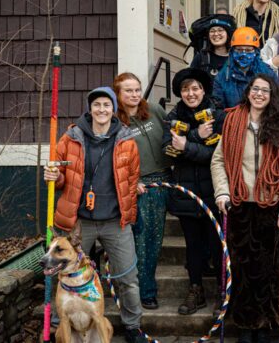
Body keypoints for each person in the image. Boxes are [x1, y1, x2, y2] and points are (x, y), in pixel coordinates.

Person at [43, 87, 147, 343]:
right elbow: (59, 175)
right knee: (64, 271)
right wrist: (54, 177)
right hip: (79, 222)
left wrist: (131, 205)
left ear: (114, 109)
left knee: (127, 277)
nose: (102, 109)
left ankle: (132, 326)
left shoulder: (126, 139)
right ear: (90, 108)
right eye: (97, 105)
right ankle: (60, 326)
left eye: (106, 105)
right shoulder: (71, 137)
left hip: (115, 220)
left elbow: (132, 177)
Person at [211, 74, 279, 343]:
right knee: (241, 269)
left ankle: (267, 327)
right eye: (255, 89)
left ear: (272, 96)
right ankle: (246, 327)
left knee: (269, 270)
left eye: (265, 91)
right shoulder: (233, 122)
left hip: (270, 207)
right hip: (239, 205)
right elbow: (218, 161)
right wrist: (222, 192)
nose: (259, 94)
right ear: (248, 92)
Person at [162, 68, 226, 316]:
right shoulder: (173, 116)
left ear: (203, 90)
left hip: (214, 191)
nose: (191, 93)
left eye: (196, 88)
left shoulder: (217, 116)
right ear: (180, 92)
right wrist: (195, 135)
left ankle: (223, 291)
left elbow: (217, 155)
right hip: (186, 192)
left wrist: (187, 145)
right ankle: (195, 289)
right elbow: (167, 149)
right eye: (186, 89)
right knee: (193, 246)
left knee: (217, 243)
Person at [114, 73, 171, 311]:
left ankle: (144, 288)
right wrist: (129, 181)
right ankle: (144, 292)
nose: (135, 95)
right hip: (138, 185)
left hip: (163, 181)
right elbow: (114, 157)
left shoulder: (155, 111)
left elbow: (169, 135)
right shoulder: (116, 122)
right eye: (128, 91)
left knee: (154, 240)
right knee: (141, 239)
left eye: (137, 89)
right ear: (118, 94)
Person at [213, 26, 276, 109]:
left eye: (248, 50)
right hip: (233, 120)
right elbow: (218, 109)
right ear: (232, 51)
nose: (243, 54)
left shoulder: (268, 74)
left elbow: (277, 103)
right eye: (239, 50)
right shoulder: (222, 77)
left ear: (256, 52)